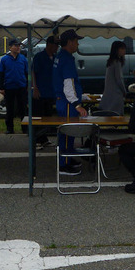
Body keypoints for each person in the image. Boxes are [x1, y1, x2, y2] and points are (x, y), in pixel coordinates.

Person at [53, 29, 88, 175]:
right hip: (68, 103)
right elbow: (68, 84)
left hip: (62, 100)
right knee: (68, 132)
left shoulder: (60, 56)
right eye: (76, 41)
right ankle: (63, 164)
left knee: (66, 133)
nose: (78, 44)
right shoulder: (66, 58)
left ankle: (68, 157)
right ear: (69, 42)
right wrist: (77, 104)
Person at [31, 35, 59, 149]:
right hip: (40, 92)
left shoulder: (55, 58)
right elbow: (33, 72)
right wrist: (35, 88)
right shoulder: (39, 57)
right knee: (39, 116)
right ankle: (36, 140)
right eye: (55, 45)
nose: (57, 48)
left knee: (48, 115)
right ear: (50, 45)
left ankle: (44, 139)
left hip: (51, 92)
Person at [0, 38, 28, 134]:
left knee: (22, 108)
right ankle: (10, 128)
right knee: (10, 109)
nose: (18, 47)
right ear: (10, 47)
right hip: (9, 87)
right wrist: (1, 87)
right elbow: (1, 74)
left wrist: (27, 85)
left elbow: (27, 73)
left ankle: (25, 128)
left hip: (21, 87)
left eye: (19, 46)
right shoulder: (4, 60)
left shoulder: (23, 59)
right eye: (15, 46)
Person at [98, 41, 127, 115]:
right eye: (122, 49)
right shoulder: (116, 62)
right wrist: (124, 91)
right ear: (117, 50)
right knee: (116, 114)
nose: (124, 51)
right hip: (116, 94)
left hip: (109, 93)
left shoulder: (111, 61)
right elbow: (119, 79)